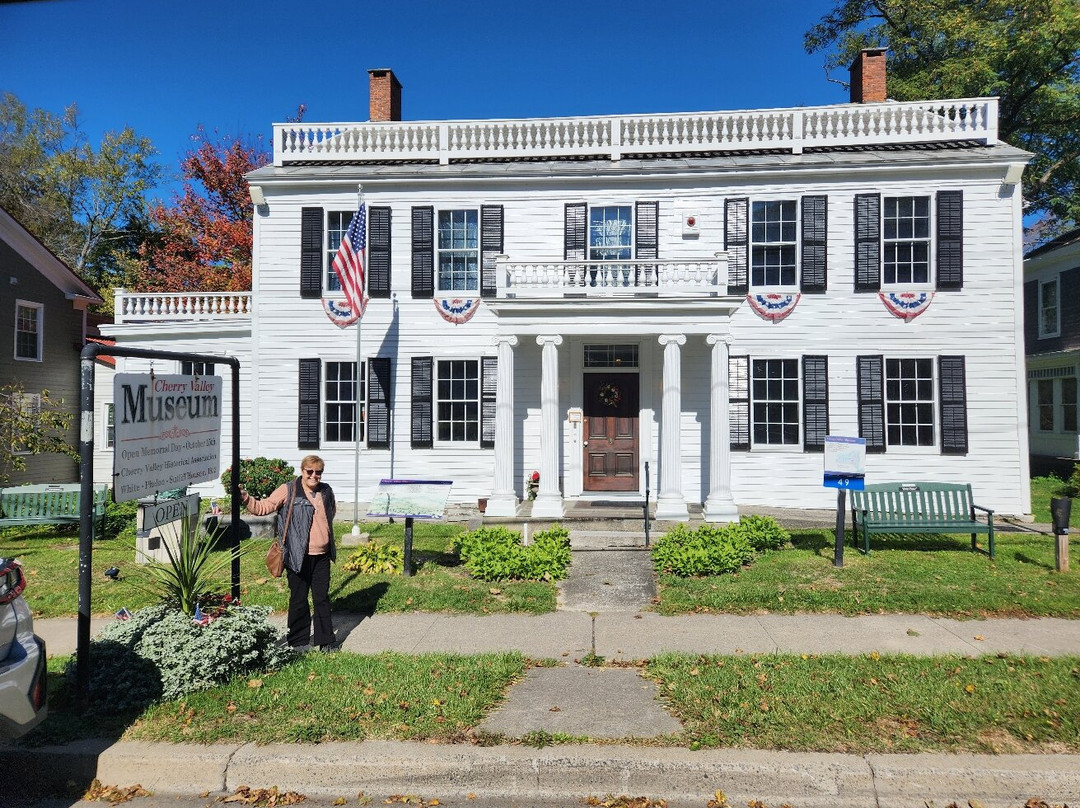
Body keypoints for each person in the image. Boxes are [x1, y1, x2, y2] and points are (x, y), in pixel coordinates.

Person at [240, 454, 338, 651]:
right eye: (309, 471)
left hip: (322, 555)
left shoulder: (326, 491)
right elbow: (264, 506)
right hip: (297, 554)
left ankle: (326, 641)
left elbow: (331, 512)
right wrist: (246, 499)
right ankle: (298, 641)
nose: (314, 476)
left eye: (318, 472)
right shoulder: (289, 489)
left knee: (322, 598)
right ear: (302, 471)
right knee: (299, 599)